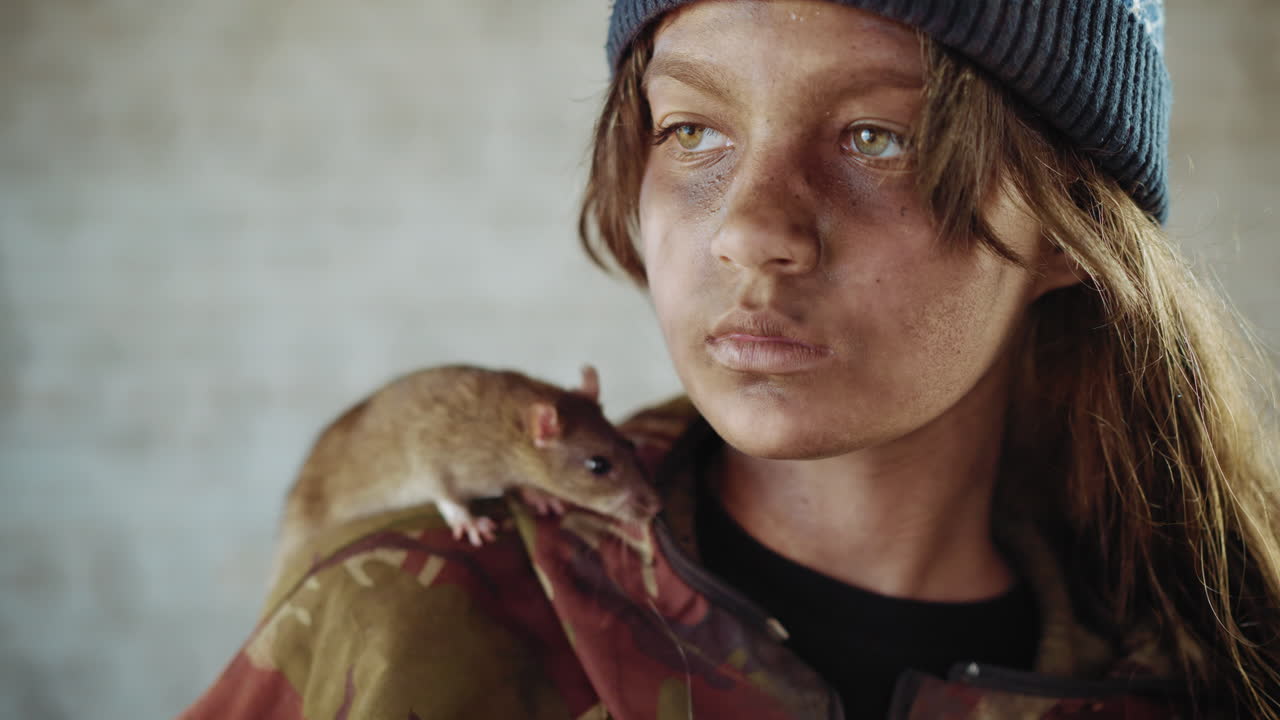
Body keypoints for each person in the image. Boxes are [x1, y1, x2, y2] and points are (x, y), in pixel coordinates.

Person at [179, 1, 1280, 718]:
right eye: (691, 131)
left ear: (1069, 222)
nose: (749, 230)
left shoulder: (1226, 666)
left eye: (875, 138)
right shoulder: (408, 620)